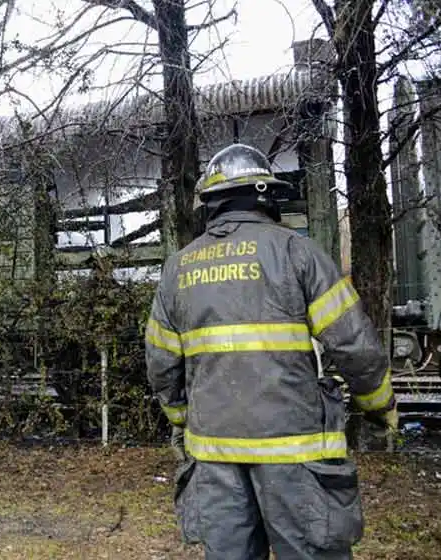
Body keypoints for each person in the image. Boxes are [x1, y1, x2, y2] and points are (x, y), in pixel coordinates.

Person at [145, 143, 398, 559]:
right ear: (267, 195)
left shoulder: (178, 269)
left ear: (210, 202)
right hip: (295, 454)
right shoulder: (298, 252)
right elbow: (354, 346)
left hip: (213, 454)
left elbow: (161, 364)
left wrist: (180, 418)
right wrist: (379, 405)